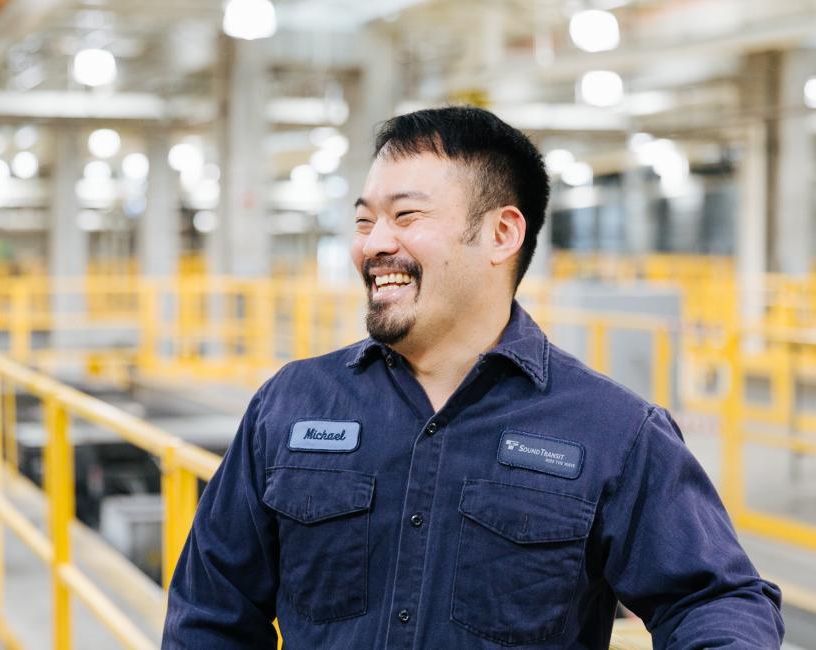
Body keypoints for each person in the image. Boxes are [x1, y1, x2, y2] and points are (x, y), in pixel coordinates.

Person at [162, 106, 783, 649]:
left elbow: (713, 600)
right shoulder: (290, 405)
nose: (374, 244)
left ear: (501, 233)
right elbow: (211, 611)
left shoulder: (613, 431)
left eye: (406, 216)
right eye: (363, 221)